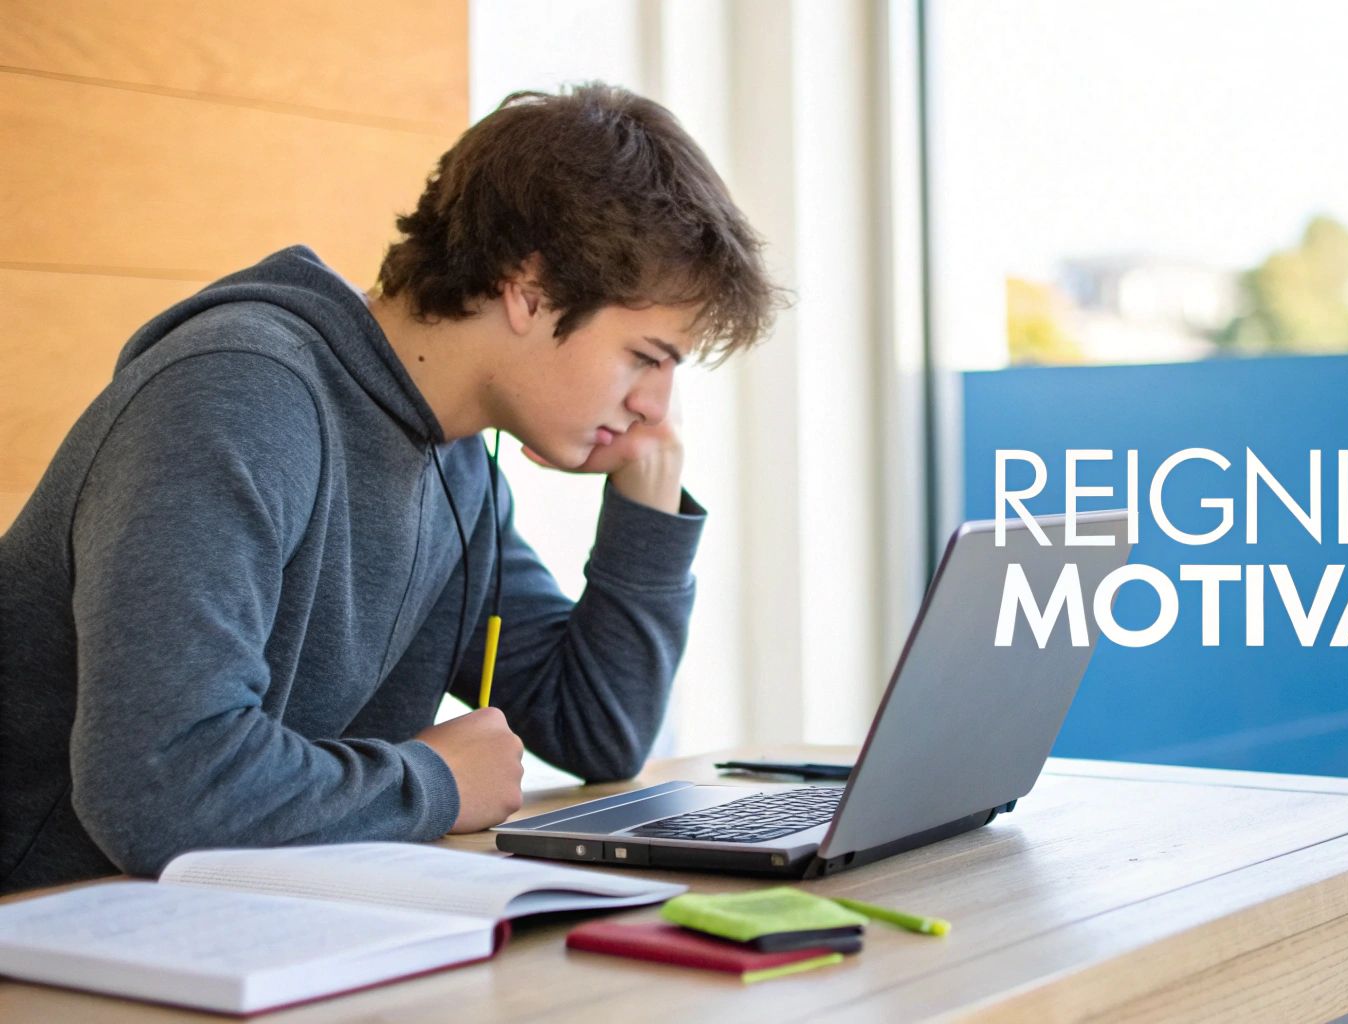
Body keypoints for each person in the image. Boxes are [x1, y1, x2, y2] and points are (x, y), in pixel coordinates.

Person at [0, 83, 782, 893]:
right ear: (530, 290)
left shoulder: (455, 461)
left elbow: (594, 726)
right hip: (42, 941)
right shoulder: (236, 395)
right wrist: (435, 782)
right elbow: (160, 787)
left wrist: (647, 498)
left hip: (235, 937)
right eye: (646, 357)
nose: (658, 406)